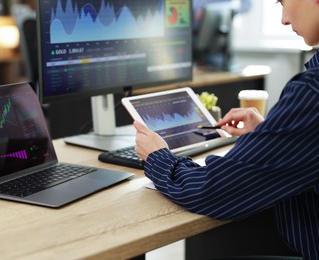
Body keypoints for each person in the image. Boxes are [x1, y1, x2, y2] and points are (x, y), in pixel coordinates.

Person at [133, 0, 319, 258]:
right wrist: (274, 138)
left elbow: (213, 190)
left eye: (283, 2)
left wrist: (157, 157)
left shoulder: (313, 91)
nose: (283, 19)